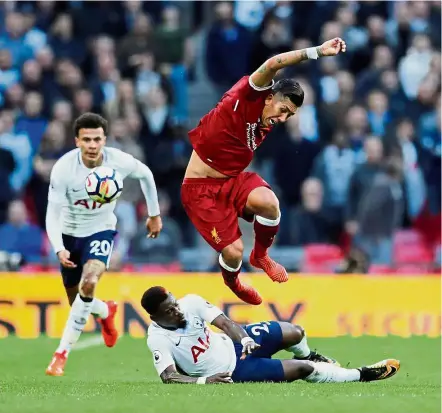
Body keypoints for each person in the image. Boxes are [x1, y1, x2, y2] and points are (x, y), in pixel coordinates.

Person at [181, 37, 347, 305]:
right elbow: (273, 63)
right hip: (201, 189)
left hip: (231, 181)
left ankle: (261, 256)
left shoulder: (267, 122)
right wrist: (316, 52)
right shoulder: (249, 94)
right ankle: (233, 281)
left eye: (289, 116)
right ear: (269, 97)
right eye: (283, 110)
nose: (283, 118)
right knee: (234, 252)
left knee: (270, 204)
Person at [45, 112, 163, 376]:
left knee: (89, 282)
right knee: (78, 300)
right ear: (77, 141)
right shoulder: (63, 169)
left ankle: (60, 354)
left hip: (100, 230)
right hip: (68, 235)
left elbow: (145, 174)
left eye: (97, 139)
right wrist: (58, 247)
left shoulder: (117, 161)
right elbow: (51, 214)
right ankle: (106, 310)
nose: (92, 145)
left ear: (104, 140)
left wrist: (154, 215)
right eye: (86, 139)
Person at [143, 286, 400, 384]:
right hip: (234, 371)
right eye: (170, 310)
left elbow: (225, 323)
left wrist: (243, 339)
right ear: (156, 317)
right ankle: (362, 375)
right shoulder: (157, 338)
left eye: (175, 303)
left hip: (236, 345)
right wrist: (205, 381)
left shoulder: (191, 302)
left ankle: (312, 353)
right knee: (303, 369)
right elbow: (169, 376)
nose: (178, 310)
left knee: (295, 331)